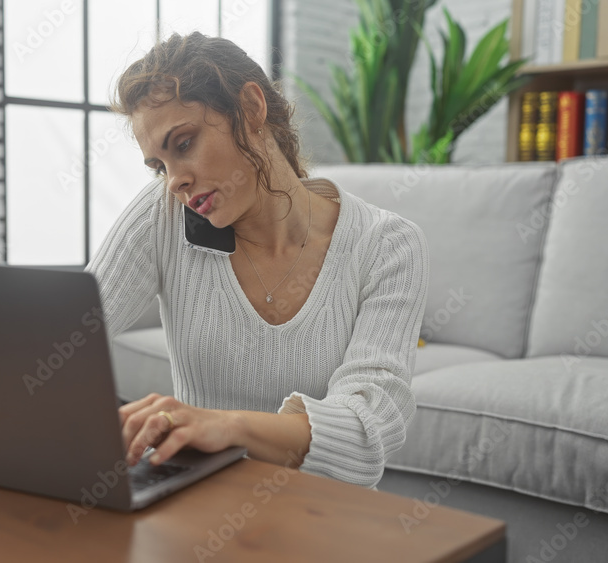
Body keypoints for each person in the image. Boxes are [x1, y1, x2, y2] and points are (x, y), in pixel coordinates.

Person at [85, 31, 430, 489]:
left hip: (325, 520)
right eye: (159, 166)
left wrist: (228, 427)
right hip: (197, 506)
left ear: (250, 109)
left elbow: (368, 433)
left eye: (183, 144)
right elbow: (60, 343)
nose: (174, 182)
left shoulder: (388, 246)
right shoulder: (162, 216)